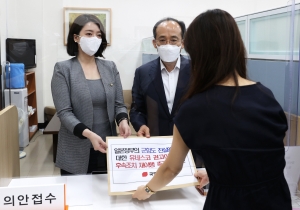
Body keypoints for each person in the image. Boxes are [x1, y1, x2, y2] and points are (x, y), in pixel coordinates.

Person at [132, 9, 292, 210]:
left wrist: (146, 190)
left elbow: (171, 169)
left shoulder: (195, 108)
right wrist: (218, 171)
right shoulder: (266, 95)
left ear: (196, 51)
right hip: (276, 198)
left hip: (229, 202)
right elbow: (260, 155)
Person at [51, 14, 131, 175]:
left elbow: (119, 104)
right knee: (77, 197)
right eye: (89, 34)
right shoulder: (63, 69)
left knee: (106, 196)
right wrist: (88, 134)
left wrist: (123, 120)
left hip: (107, 146)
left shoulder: (110, 67)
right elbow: (64, 112)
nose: (95, 38)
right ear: (76, 37)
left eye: (99, 35)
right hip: (76, 149)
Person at [130, 17, 190, 137]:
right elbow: (137, 109)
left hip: (188, 141)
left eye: (174, 40)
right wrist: (140, 125)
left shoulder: (197, 71)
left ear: (182, 43)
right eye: (162, 40)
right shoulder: (142, 72)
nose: (168, 45)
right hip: (155, 141)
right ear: (154, 43)